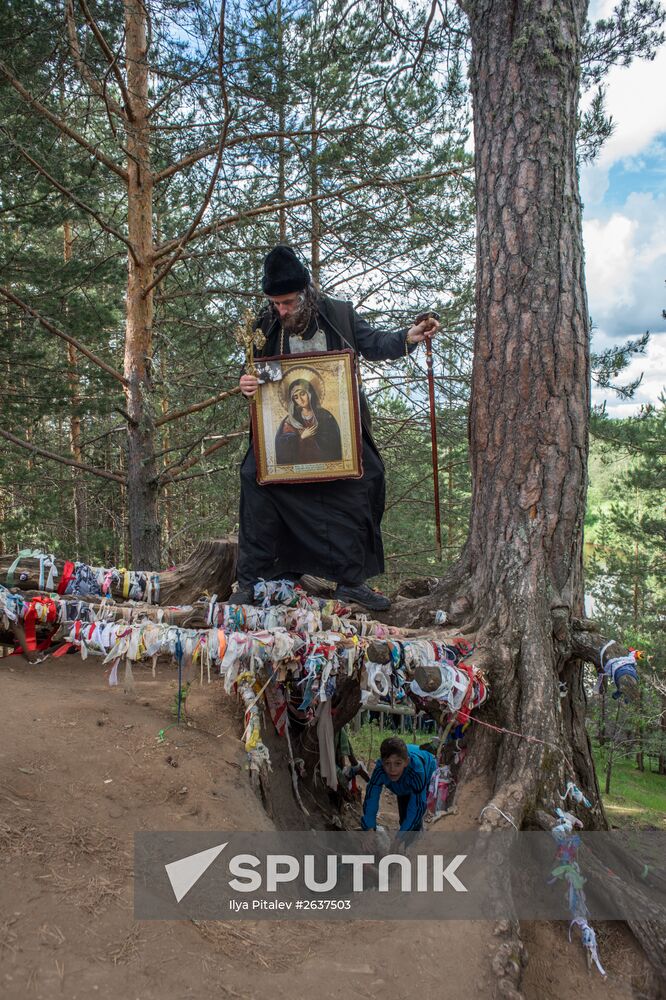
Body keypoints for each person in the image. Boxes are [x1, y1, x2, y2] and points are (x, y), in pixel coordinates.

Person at [235, 245, 440, 612]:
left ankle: (350, 582)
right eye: (276, 303)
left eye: (289, 303)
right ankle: (252, 581)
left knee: (365, 478)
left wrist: (406, 338)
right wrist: (246, 383)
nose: (282, 311)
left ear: (306, 293)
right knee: (254, 476)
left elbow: (374, 343)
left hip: (336, 425)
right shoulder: (263, 327)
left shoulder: (338, 315)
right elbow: (254, 373)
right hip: (282, 434)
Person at [360, 736, 436, 835]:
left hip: (428, 770)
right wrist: (369, 828)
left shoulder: (417, 771)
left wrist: (400, 837)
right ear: (382, 763)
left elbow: (417, 806)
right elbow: (371, 797)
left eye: (397, 764)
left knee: (414, 823)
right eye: (387, 763)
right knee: (404, 818)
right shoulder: (380, 770)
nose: (392, 769)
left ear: (406, 762)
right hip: (403, 783)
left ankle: (414, 840)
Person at [275, 376, 342, 465]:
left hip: (322, 465)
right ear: (293, 401)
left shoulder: (325, 415)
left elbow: (334, 442)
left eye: (302, 394)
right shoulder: (290, 420)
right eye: (296, 397)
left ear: (310, 393)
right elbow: (282, 446)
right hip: (300, 466)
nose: (301, 400)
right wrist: (301, 437)